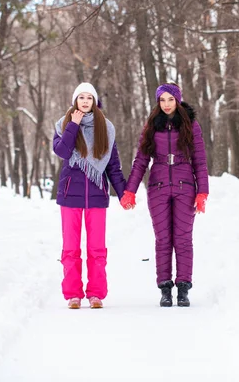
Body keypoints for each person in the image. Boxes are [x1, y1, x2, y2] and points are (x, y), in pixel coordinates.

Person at [120, 83, 209, 307]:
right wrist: (130, 190)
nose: (166, 104)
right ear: (158, 102)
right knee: (163, 239)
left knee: (183, 238)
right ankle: (165, 288)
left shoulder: (191, 125)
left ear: (177, 100)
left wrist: (202, 191)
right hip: (158, 186)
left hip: (185, 186)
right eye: (162, 100)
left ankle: (183, 288)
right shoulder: (152, 126)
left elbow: (199, 160)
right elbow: (141, 160)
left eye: (170, 99)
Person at [53, 82, 126, 309]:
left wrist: (123, 193)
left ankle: (96, 294)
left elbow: (113, 165)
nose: (85, 101)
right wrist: (73, 125)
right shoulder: (63, 125)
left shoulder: (106, 128)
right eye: (81, 97)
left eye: (89, 98)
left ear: (95, 102)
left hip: (97, 195)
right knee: (71, 248)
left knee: (96, 248)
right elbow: (62, 151)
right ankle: (73, 294)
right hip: (69, 195)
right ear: (75, 101)